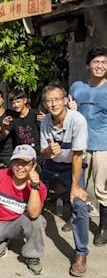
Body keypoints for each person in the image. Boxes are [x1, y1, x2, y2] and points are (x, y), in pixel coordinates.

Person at [0, 145, 47, 275]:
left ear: (33, 165)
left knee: (38, 220)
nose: (20, 167)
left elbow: (34, 214)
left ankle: (32, 255)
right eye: (16, 162)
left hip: (17, 223)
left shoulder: (40, 187)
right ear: (11, 163)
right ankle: (2, 245)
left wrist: (34, 186)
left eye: (25, 163)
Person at [40, 84, 89, 277]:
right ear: (45, 104)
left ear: (65, 100)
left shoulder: (77, 120)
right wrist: (48, 151)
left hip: (73, 167)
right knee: (33, 196)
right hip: (51, 166)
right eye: (49, 101)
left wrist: (75, 187)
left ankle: (81, 254)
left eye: (57, 99)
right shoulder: (45, 121)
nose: (53, 104)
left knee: (78, 204)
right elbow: (43, 155)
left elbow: (77, 156)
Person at [69, 45, 107, 247]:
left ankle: (103, 227)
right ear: (88, 65)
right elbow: (68, 113)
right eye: (96, 62)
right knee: (77, 184)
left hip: (103, 145)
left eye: (104, 62)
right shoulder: (77, 86)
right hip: (79, 145)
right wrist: (70, 108)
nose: (100, 66)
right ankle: (76, 217)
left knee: (101, 188)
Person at [1, 89, 42, 164]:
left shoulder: (35, 114)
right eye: (13, 103)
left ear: (25, 100)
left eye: (18, 102)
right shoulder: (13, 118)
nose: (16, 105)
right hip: (22, 155)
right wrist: (3, 126)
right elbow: (4, 135)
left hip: (38, 155)